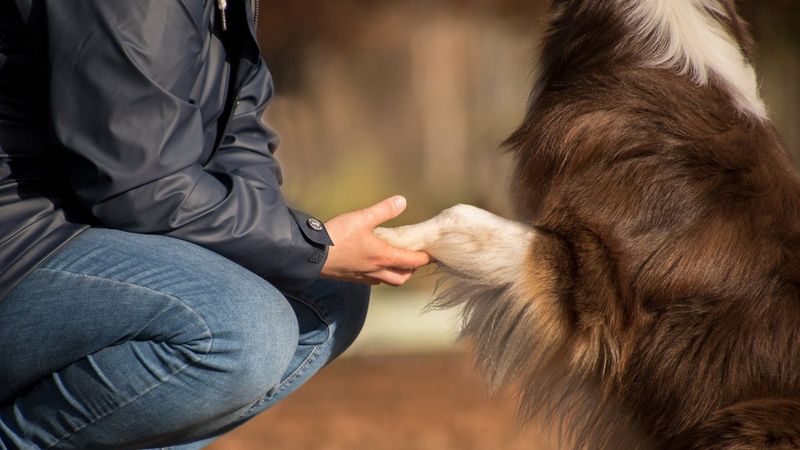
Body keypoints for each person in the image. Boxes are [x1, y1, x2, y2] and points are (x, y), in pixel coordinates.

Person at [0, 1, 430, 448]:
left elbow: (236, 130)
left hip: (75, 222)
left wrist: (300, 249)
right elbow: (140, 185)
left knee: (324, 295)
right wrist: (311, 248)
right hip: (20, 241)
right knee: (237, 329)